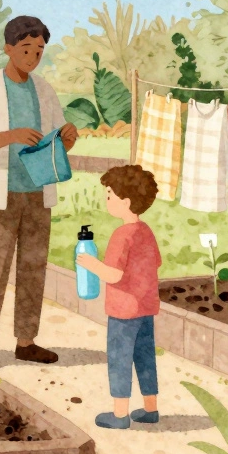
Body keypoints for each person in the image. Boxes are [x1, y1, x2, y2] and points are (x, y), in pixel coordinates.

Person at [0, 15, 78, 368]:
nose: (33, 56)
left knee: (33, 268)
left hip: (37, 193)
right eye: (26, 48)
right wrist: (10, 135)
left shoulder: (44, 90)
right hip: (0, 192)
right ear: (8, 49)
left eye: (39, 49)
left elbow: (54, 144)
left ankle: (26, 341)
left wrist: (66, 140)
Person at [77, 166, 162, 430]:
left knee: (119, 359)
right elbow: (156, 263)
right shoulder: (145, 230)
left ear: (125, 202)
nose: (107, 200)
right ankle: (150, 409)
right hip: (146, 307)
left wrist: (90, 263)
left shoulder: (121, 235)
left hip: (124, 311)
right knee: (145, 357)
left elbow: (113, 275)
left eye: (110, 195)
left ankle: (120, 414)